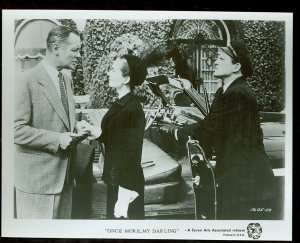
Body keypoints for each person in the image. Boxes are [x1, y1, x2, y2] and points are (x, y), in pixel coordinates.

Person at [162, 39, 276, 219]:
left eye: (221, 59)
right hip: (236, 179)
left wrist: (175, 132)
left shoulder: (238, 94)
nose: (215, 61)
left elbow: (210, 128)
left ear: (236, 66)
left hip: (249, 184)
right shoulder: (224, 92)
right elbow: (212, 125)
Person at [14, 25, 81, 219]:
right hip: (37, 185)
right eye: (75, 50)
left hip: (65, 181)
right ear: (56, 48)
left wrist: (78, 127)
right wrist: (57, 139)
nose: (78, 55)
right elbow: (16, 130)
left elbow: (59, 120)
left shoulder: (66, 80)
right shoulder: (25, 80)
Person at [77, 54, 147, 219]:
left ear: (126, 79)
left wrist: (124, 194)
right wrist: (91, 129)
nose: (109, 73)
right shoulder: (122, 104)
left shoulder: (133, 109)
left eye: (113, 70)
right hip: (117, 176)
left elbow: (132, 153)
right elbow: (114, 137)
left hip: (126, 183)